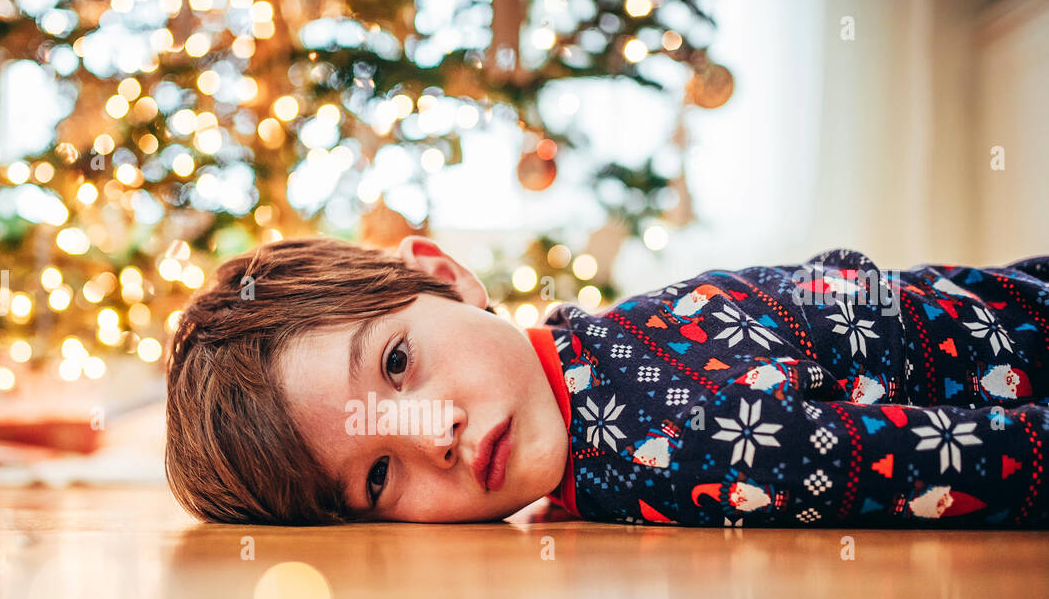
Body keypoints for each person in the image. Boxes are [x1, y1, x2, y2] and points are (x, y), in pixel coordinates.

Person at [165, 234, 1049, 528]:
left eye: (397, 364)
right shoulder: (596, 388)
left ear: (444, 275)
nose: (434, 434)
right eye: (379, 477)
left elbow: (991, 462)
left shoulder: (684, 440)